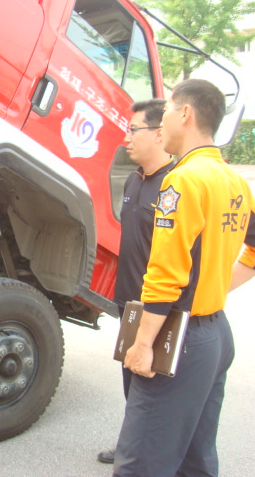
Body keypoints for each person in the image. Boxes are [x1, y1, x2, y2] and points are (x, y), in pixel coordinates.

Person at [113, 79, 255, 476]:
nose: (161, 123)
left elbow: (166, 272)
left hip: (178, 337)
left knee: (140, 465)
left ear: (185, 114)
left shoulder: (183, 180)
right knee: (194, 460)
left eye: (165, 112)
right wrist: (217, 285)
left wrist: (143, 343)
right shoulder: (231, 179)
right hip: (214, 335)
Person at [97, 98, 174, 465]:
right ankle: (132, 444)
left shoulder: (175, 186)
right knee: (131, 378)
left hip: (159, 306)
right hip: (130, 304)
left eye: (133, 129)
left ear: (159, 134)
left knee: (156, 387)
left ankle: (150, 454)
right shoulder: (133, 180)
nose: (125, 137)